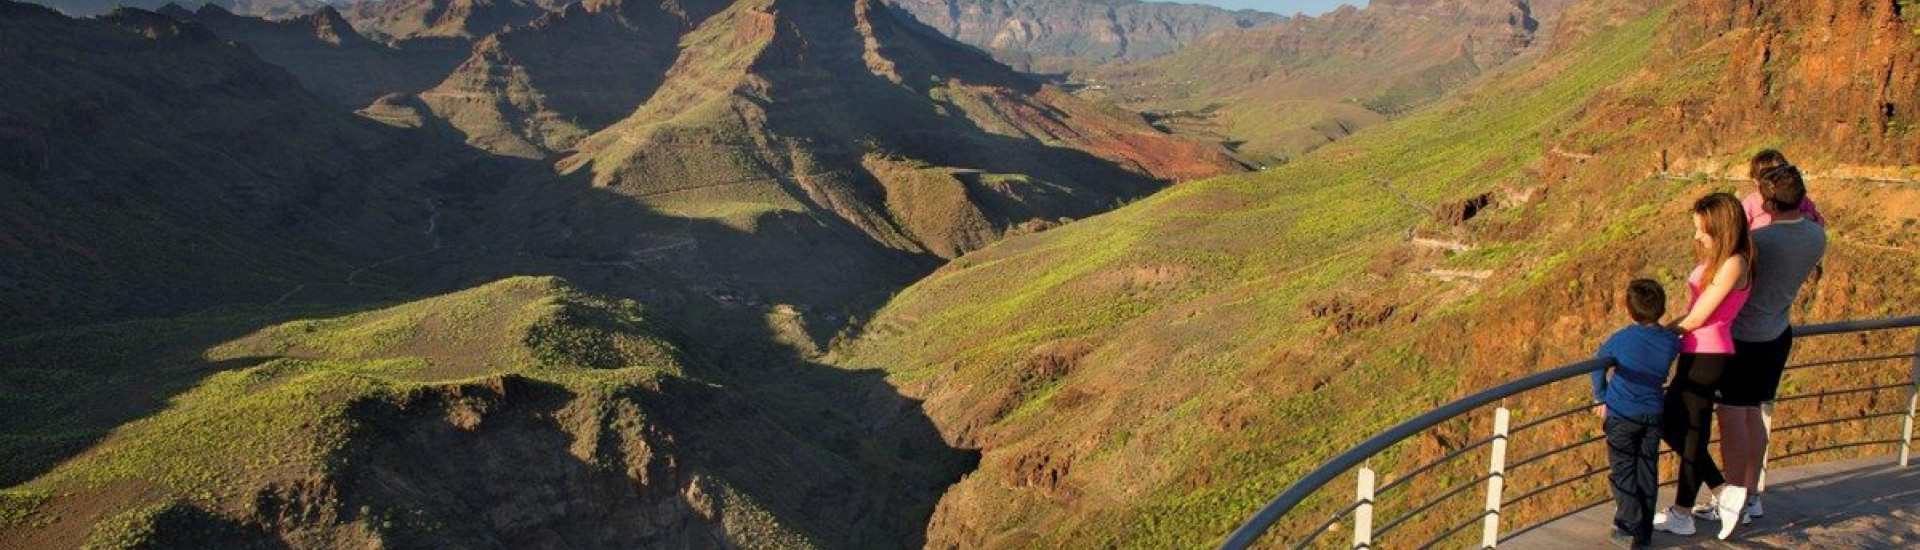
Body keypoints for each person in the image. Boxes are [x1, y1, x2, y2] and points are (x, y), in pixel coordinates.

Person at [1721, 163, 1828, 531]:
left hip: (1744, 337)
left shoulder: (1759, 244)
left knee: (1734, 416)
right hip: (1777, 334)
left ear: (1766, 202)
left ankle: (1732, 499)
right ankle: (1751, 497)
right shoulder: (1816, 236)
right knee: (1755, 413)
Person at [1653, 193, 1753, 538]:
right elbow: (1693, 313)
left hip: (1709, 356)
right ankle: (1724, 491)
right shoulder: (1722, 260)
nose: (1697, 237)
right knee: (1673, 424)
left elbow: (1698, 317)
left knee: (1691, 433)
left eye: (1703, 230)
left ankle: (1683, 512)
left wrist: (1660, 336)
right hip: (1696, 352)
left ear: (1721, 228)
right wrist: (1665, 332)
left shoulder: (1734, 264)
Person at [1594, 279, 1683, 548]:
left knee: (1622, 471)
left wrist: (1601, 396)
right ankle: (1644, 531)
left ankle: (1628, 526)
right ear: (1662, 308)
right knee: (1646, 469)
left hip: (1622, 413)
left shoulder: (1622, 339)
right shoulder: (1670, 342)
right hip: (1653, 412)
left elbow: (1597, 365)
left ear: (1630, 311)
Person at [1741, 150, 1824, 228]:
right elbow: (1740, 229)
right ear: (1755, 180)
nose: (1776, 179)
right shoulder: (1750, 203)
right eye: (1768, 175)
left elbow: (1819, 221)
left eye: (1781, 172)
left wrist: (1807, 217)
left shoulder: (1798, 199)